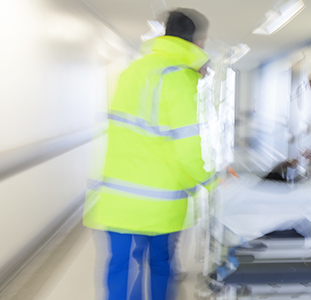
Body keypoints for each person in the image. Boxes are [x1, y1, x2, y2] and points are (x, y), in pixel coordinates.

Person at [82, 8, 214, 300]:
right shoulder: (179, 78)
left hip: (117, 196)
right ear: (198, 41)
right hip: (159, 202)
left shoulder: (132, 70)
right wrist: (211, 180)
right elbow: (187, 147)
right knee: (158, 265)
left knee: (119, 266)